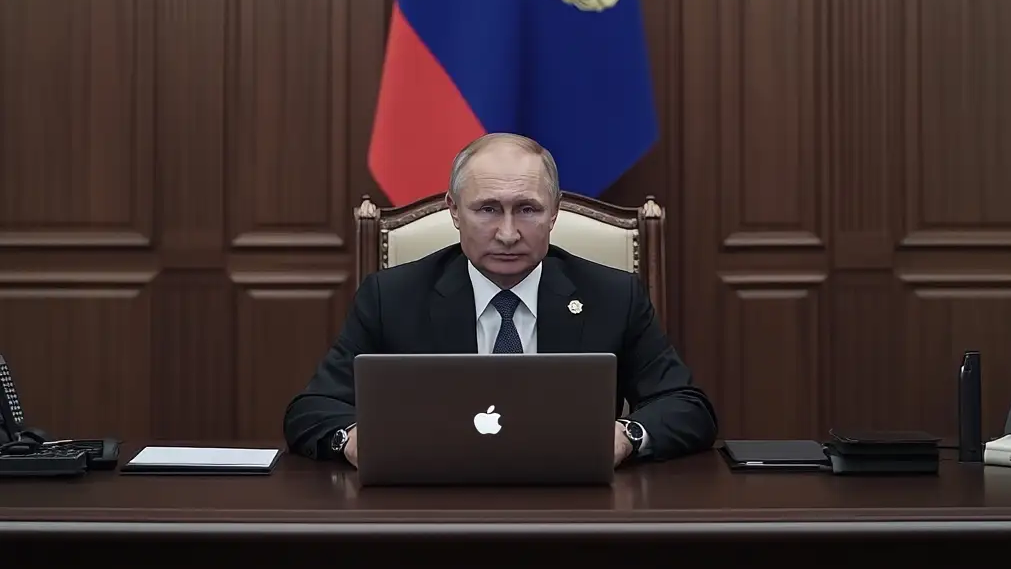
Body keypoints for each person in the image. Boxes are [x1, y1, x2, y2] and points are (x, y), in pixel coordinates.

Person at [284, 133, 714, 466]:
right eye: (487, 209)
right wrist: (353, 439)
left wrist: (626, 436)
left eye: (527, 209)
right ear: (454, 210)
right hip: (431, 512)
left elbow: (687, 408)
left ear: (554, 210)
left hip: (575, 515)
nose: (508, 233)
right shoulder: (391, 296)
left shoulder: (613, 295)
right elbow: (312, 411)